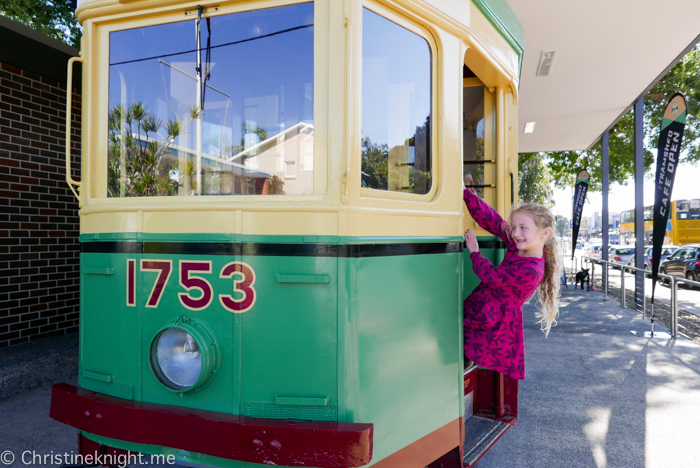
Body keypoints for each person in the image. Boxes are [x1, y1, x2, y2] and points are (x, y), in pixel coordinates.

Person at [462, 174, 562, 379]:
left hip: (491, 322)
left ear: (544, 233)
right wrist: (468, 194)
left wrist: (475, 252)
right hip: (481, 312)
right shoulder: (519, 246)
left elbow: (492, 277)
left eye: (523, 228)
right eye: (515, 227)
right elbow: (494, 221)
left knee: (464, 354)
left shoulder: (531, 270)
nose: (516, 233)